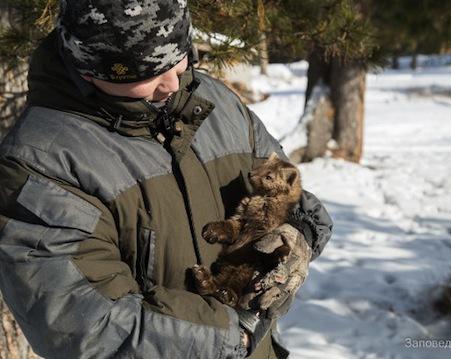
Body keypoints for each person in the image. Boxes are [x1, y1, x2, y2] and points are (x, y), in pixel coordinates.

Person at [0, 1, 333, 358]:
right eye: (146, 72)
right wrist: (237, 337)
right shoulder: (42, 162)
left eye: (180, 55)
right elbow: (83, 326)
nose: (173, 82)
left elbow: (286, 190)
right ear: (89, 70)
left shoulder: (213, 101)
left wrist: (300, 233)